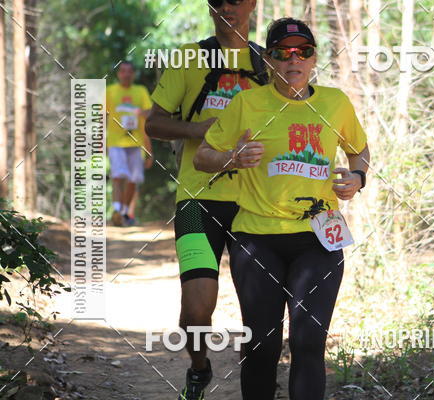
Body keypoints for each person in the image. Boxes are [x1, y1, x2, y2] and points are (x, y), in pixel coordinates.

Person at [195, 18, 370, 400]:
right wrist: (231, 158)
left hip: (318, 238)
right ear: (269, 60)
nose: (294, 60)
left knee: (309, 343)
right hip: (256, 239)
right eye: (283, 53)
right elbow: (202, 157)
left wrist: (358, 177)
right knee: (262, 345)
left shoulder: (335, 103)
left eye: (303, 51)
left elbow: (359, 150)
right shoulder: (247, 104)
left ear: (314, 58)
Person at [145, 1, 267, 399]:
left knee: (259, 310)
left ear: (253, 4)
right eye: (219, 0)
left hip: (255, 203)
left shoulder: (269, 63)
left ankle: (258, 386)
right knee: (196, 312)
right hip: (197, 200)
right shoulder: (188, 58)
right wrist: (197, 129)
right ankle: (199, 368)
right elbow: (153, 123)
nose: (227, 7)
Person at [106, 61, 153, 227]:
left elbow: (150, 114)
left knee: (134, 179)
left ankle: (125, 212)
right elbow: (101, 116)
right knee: (118, 176)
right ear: (118, 74)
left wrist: (139, 112)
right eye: (123, 71)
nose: (126, 74)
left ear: (133, 74)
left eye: (129, 71)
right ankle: (117, 210)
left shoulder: (141, 91)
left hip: (136, 142)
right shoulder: (110, 91)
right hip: (115, 142)